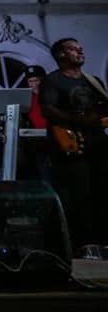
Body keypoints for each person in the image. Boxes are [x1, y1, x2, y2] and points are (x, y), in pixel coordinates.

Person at [40, 38, 108, 253]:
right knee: (79, 194)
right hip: (70, 146)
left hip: (97, 144)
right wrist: (79, 121)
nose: (80, 51)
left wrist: (97, 118)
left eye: (80, 47)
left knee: (102, 191)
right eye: (73, 48)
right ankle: (81, 242)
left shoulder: (93, 81)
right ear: (61, 55)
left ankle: (101, 239)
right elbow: (48, 110)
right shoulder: (52, 81)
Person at [20, 64, 52, 183]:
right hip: (37, 142)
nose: (35, 84)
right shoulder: (26, 98)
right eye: (31, 81)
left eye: (37, 80)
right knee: (44, 176)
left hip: (58, 138)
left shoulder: (53, 94)